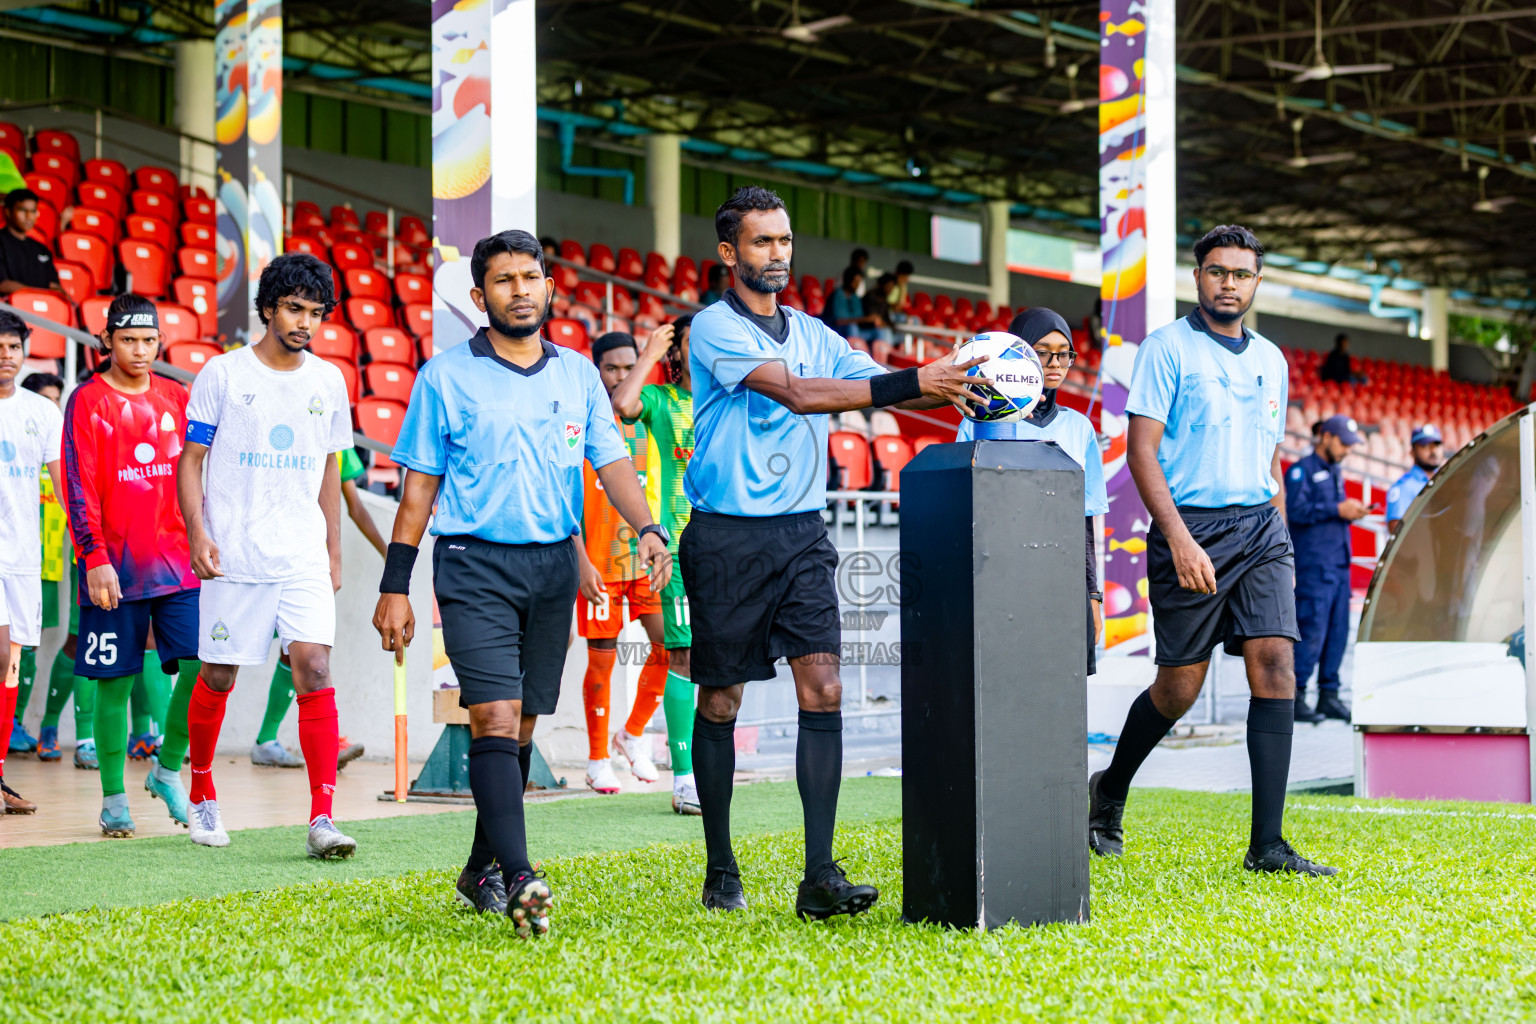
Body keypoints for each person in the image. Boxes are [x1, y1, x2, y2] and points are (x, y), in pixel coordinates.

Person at [681, 185, 983, 918]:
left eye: (784, 241)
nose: (777, 254)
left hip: (803, 536)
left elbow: (871, 386)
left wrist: (961, 384)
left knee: (825, 690)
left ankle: (820, 874)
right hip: (724, 537)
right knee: (721, 699)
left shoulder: (814, 329)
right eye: (761, 242)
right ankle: (721, 865)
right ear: (730, 253)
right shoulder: (712, 329)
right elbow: (800, 395)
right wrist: (918, 378)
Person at [373, 228, 669, 936]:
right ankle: (523, 875)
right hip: (473, 565)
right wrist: (394, 584)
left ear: (549, 286)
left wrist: (649, 527)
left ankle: (481, 868)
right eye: (504, 281)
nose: (520, 290)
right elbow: (417, 493)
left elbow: (611, 462)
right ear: (481, 296)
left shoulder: (575, 376)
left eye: (530, 277)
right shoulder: (445, 377)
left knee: (524, 727)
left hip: (551, 569)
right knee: (495, 720)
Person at [1089, 224, 1337, 877]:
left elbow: (1270, 454)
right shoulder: (1167, 348)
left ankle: (1268, 845)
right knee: (1179, 689)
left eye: (1242, 273)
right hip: (1189, 529)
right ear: (1198, 276)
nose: (1230, 283)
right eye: (1217, 271)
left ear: (1258, 282)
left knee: (1277, 664)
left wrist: (1278, 527)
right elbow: (1141, 450)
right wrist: (1178, 538)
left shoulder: (1272, 360)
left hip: (1260, 530)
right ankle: (1109, 790)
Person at [176, 253, 356, 858]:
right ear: (268, 309)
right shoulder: (222, 375)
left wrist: (333, 550)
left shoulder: (329, 381)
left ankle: (322, 819)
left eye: (315, 312)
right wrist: (198, 531)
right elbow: (191, 462)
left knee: (315, 667)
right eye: (295, 309)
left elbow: (330, 469)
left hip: (301, 552)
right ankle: (201, 793)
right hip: (234, 554)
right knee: (220, 674)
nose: (306, 322)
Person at [63, 295, 203, 836]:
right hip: (113, 568)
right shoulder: (86, 401)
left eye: (148, 341)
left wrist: (203, 538)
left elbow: (197, 474)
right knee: (115, 683)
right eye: (128, 340)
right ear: (107, 342)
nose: (140, 351)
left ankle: (168, 771)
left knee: (204, 667)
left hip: (178, 565)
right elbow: (77, 486)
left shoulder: (177, 397)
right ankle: (114, 794)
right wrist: (93, 557)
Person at [955, 308, 1106, 672]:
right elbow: (967, 509)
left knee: (1062, 690)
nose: (1055, 363)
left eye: (1064, 353)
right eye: (1041, 351)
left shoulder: (1079, 427)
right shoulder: (980, 421)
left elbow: (1082, 522)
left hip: (1061, 580)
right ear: (1018, 353)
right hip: (1001, 580)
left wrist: (1092, 595)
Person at [611, 314, 701, 815]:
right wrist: (647, 353)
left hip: (727, 548)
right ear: (676, 350)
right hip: (677, 549)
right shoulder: (664, 401)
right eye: (692, 342)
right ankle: (684, 779)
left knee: (719, 659)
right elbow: (622, 405)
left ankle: (705, 766)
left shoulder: (728, 400)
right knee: (682, 655)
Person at [575, 330, 671, 795]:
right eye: (610, 368)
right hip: (599, 563)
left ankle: (631, 734)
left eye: (627, 366)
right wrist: (580, 561)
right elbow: (565, 497)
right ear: (597, 371)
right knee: (602, 663)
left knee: (671, 646)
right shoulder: (581, 418)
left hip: (645, 559)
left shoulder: (647, 415)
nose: (619, 376)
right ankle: (596, 759)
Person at [248, 442, 382, 770]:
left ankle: (272, 740)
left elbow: (355, 506)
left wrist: (390, 553)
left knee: (308, 654)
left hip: (312, 568)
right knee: (232, 662)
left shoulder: (337, 442)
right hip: (270, 556)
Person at [0, 308, 64, 814]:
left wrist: (90, 546)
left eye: (13, 348)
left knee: (10, 666)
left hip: (23, 557)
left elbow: (63, 484)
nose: (6, 356)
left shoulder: (41, 413)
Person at [1286, 414, 1365, 724]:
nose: (1347, 450)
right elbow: (1295, 511)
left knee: (1337, 633)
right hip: (1315, 565)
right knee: (1312, 630)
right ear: (1327, 437)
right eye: (1344, 443)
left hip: (1339, 564)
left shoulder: (1334, 470)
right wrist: (1337, 509)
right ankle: (1295, 695)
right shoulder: (1300, 471)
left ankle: (1329, 694)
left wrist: (1350, 511)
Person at [9, 371, 64, 756]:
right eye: (47, 398)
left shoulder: (51, 434)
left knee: (23, 648)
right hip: (20, 558)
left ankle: (12, 727)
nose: (53, 407)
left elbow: (66, 495)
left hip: (42, 560)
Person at [0, 189, 62, 295]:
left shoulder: (41, 249)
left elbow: (54, 285)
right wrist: (32, 295)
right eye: (23, 210)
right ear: (8, 211)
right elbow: (2, 284)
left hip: (41, 305)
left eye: (33, 211)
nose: (29, 217)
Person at [1386, 424, 1444, 532]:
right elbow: (1396, 531)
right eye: (1425, 446)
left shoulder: (1446, 481)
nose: (1433, 451)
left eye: (1436, 445)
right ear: (1412, 452)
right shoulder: (1403, 487)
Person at [827, 266, 874, 353]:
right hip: (835, 331)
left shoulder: (855, 297)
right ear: (848, 280)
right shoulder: (838, 294)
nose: (857, 284)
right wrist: (864, 319)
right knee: (852, 327)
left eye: (859, 282)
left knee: (879, 332)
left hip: (854, 332)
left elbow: (859, 317)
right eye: (855, 281)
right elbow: (839, 321)